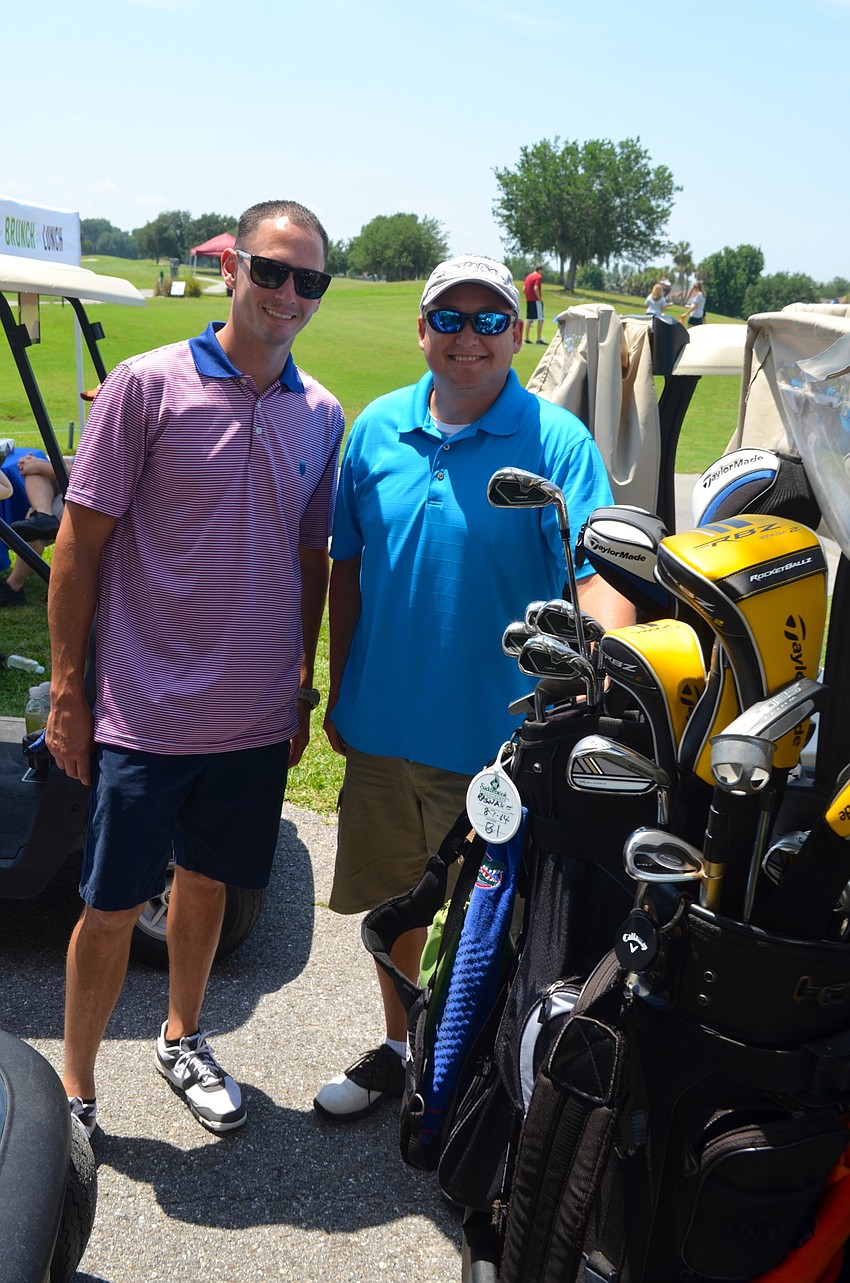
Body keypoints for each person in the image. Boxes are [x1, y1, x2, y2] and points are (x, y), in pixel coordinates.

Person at [46, 198, 344, 1139]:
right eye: (271, 271)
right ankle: (75, 1091)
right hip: (143, 710)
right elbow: (77, 545)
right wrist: (66, 688)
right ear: (232, 269)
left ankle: (183, 1036)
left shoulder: (321, 413)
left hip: (254, 714)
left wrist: (300, 685)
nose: (288, 294)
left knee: (210, 884)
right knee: (110, 906)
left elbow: (308, 561)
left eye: (309, 281)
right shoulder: (146, 386)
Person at [313, 255, 635, 1123]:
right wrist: (344, 690)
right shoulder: (375, 429)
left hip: (502, 745)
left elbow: (600, 577)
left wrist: (598, 669)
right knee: (392, 906)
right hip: (384, 729)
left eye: (490, 321)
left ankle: (476, 1074)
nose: (468, 338)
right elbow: (348, 569)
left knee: (501, 925)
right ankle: (400, 1046)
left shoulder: (556, 441)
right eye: (448, 319)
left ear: (517, 332)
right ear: (422, 331)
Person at [0, 449, 64, 606]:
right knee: (35, 522)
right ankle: (42, 517)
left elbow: (93, 471)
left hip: (95, 495)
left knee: (34, 524)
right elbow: (79, 463)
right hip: (74, 486)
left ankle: (14, 587)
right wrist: (38, 464)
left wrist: (39, 466)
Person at [523, 263, 546, 345]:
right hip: (535, 300)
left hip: (529, 300)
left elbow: (524, 289)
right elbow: (535, 288)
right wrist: (539, 299)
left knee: (529, 319)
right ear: (540, 270)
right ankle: (539, 339)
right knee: (540, 319)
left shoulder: (528, 276)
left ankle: (526, 338)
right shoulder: (538, 277)